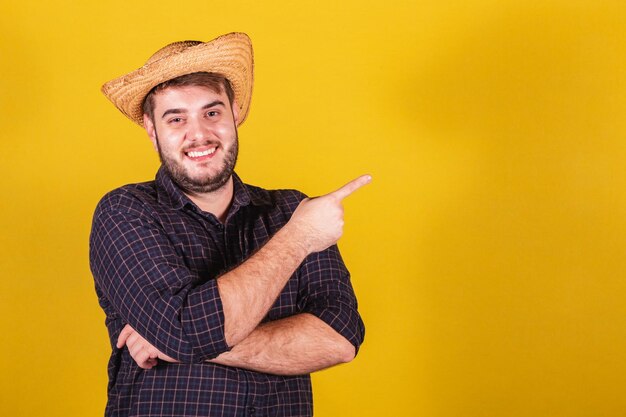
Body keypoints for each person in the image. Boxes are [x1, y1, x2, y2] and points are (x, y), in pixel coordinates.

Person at [90, 32, 370, 417]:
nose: (199, 134)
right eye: (176, 119)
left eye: (212, 112)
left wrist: (178, 339)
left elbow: (340, 339)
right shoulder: (125, 211)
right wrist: (298, 239)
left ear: (235, 112)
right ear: (152, 131)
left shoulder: (289, 209)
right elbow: (183, 330)